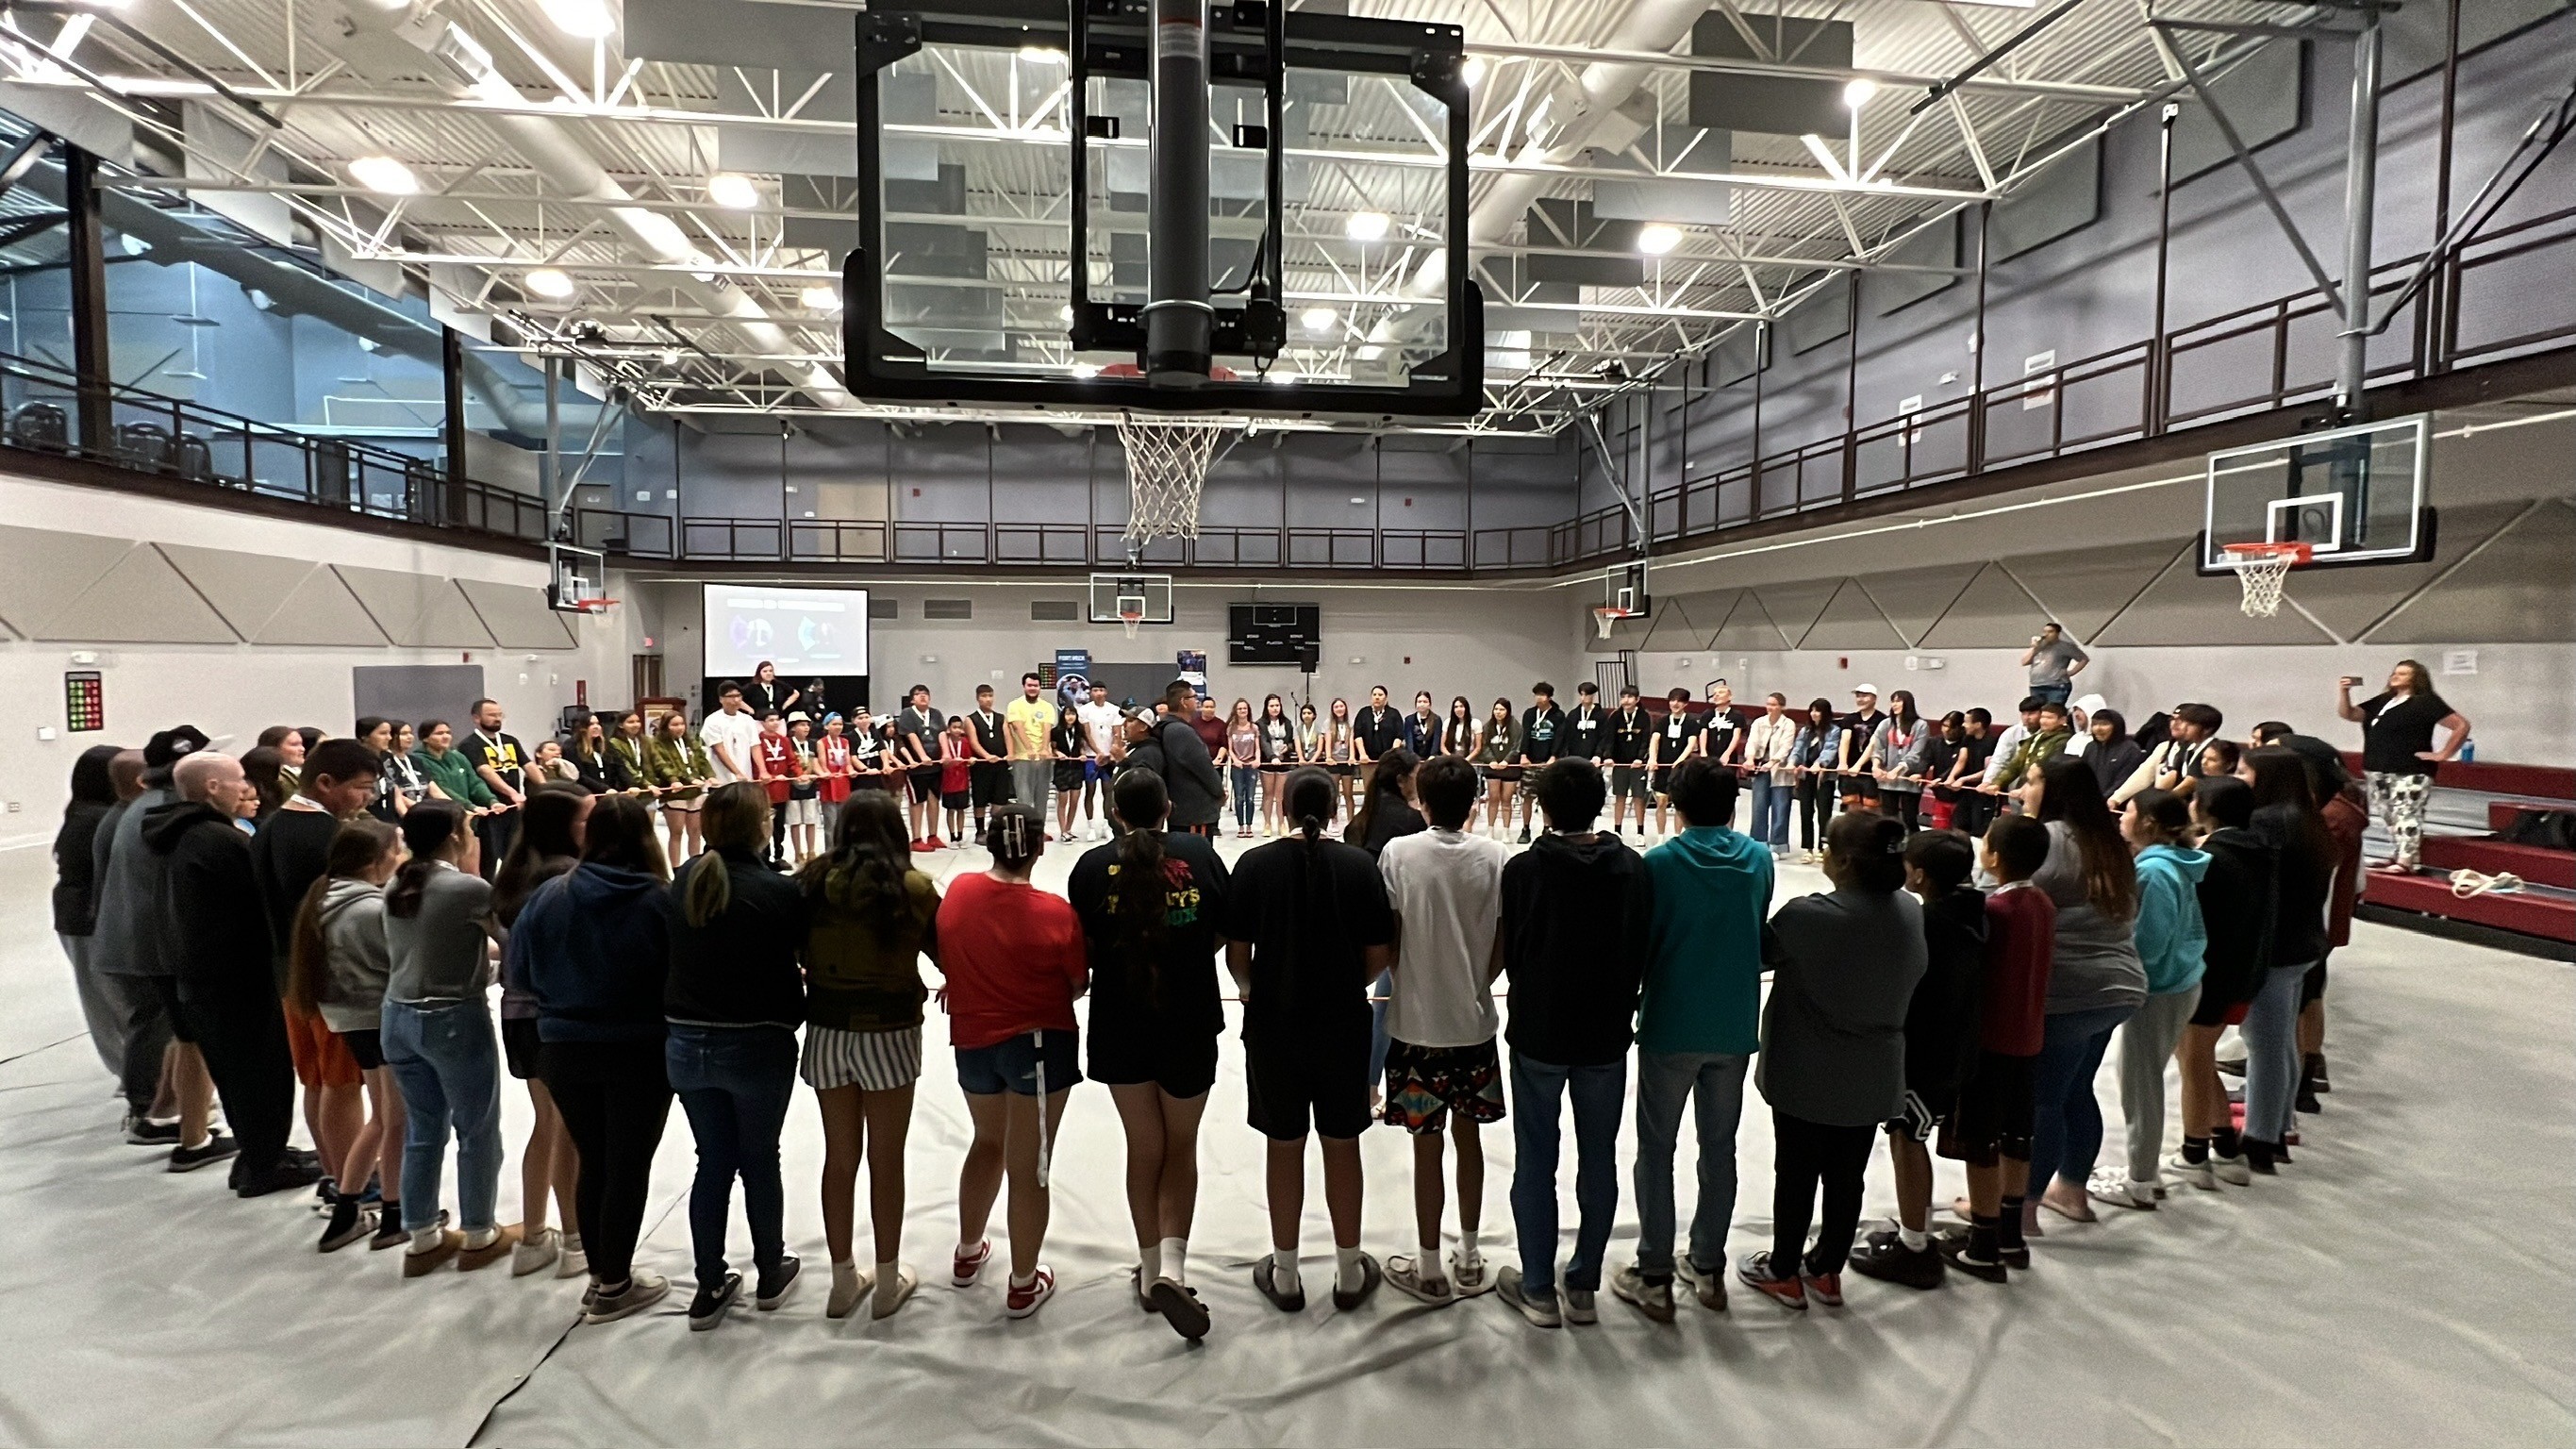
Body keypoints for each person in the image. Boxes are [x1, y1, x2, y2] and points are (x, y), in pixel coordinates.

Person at [1222, 767, 1392, 1316]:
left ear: (1287, 810)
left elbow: (1237, 957)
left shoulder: (1254, 865)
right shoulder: (1359, 865)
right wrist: (1346, 985)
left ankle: (1287, 1273)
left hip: (1274, 1027)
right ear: (1336, 809)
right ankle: (1347, 1271)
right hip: (1342, 1026)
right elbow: (1377, 956)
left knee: (1284, 1144)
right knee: (1343, 1145)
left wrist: (1255, 990)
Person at [1739, 810, 1926, 1310]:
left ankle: (1782, 1269)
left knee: (1796, 1172)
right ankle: (1826, 1269)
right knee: (1848, 1175)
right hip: (1875, 1071)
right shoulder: (1908, 908)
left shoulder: (1810, 915)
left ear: (1841, 860)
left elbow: (1757, 955)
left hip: (1808, 1067)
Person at [1069, 770, 1229, 1340]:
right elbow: (1219, 931)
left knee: (1145, 1145)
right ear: (1167, 806)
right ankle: (1176, 1271)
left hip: (1121, 1022)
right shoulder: (1199, 854)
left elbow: (1082, 949)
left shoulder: (1090, 868)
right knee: (1180, 1145)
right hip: (1187, 1018)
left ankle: (1150, 1271)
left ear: (1115, 812)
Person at [515, 796, 677, 1324]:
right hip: (639, 1046)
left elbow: (517, 973)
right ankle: (615, 1284)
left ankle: (601, 1274)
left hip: (563, 1045)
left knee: (594, 1157)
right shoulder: (659, 899)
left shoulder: (548, 896)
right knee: (628, 1165)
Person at [1610, 758, 1760, 1322]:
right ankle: (1708, 1263)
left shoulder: (1660, 863)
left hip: (1673, 1022)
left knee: (1657, 1147)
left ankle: (1654, 1269)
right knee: (1719, 1148)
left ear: (1675, 804)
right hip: (1734, 1023)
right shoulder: (1757, 858)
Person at [141, 752, 321, 1197]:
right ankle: (265, 1164)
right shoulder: (217, 841)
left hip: (208, 977)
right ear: (212, 788)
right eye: (240, 780)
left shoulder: (184, 834)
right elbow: (260, 903)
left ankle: (259, 1154)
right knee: (260, 1072)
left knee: (240, 1073)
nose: (250, 788)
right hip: (234, 978)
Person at [665, 783, 808, 1328]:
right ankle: (770, 1267)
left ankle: (709, 1282)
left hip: (685, 1041)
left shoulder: (684, 881)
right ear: (759, 827)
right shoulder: (777, 890)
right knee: (759, 1157)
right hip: (756, 1041)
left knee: (713, 1161)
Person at [940, 805, 1088, 1320]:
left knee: (987, 1142)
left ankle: (967, 1250)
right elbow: (1077, 983)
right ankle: (1023, 1282)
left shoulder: (959, 891)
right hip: (1036, 1046)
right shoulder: (1053, 912)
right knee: (1031, 1168)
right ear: (1040, 848)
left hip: (973, 1041)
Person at [1372, 756, 1509, 1308]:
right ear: (1474, 801)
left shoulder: (1399, 854)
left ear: (1420, 801)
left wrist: (1408, 983)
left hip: (1414, 1026)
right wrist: (1478, 982)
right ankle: (1471, 1255)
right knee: (1468, 1138)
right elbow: (1502, 940)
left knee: (1425, 1145)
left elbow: (1391, 935)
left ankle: (1429, 1267)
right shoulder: (1495, 857)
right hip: (1472, 1024)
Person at [799, 791, 941, 1320]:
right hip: (891, 1031)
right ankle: (886, 1279)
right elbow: (947, 953)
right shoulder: (914, 888)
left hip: (828, 1027)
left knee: (839, 1157)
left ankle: (841, 1278)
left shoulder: (811, 882)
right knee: (887, 1159)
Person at [377, 801, 517, 1275]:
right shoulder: (466, 887)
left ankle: (421, 1235)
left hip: (396, 1015)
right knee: (476, 1127)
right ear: (456, 837)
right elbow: (511, 938)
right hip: (451, 1017)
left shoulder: (397, 882)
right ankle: (479, 1232)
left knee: (423, 1127)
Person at [1848, 828, 1986, 1291]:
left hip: (1928, 1053)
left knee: (1908, 1140)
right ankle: (1927, 1236)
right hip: (1959, 1045)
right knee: (1914, 1137)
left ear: (1919, 875)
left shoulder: (1928, 925)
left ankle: (1914, 1245)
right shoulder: (1977, 911)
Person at [2018, 757, 2147, 1227]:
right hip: (2117, 986)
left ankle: (2024, 1207)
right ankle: (2071, 1190)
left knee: (2044, 1099)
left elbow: (2006, 897)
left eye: (2031, 782)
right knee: (2075, 1089)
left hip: (2070, 990)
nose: (2023, 789)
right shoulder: (2109, 841)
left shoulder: (2046, 840)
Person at [253, 739, 382, 1205]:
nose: (367, 798)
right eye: (361, 788)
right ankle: (354, 1180)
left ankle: (335, 1169)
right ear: (326, 782)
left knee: (318, 1080)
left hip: (290, 972)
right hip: (328, 977)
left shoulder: (271, 825)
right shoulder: (322, 835)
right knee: (343, 1084)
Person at [1935, 814, 2056, 1282]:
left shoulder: (1995, 912)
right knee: (2016, 1135)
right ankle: (2010, 1231)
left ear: (1994, 857)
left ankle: (1982, 1243)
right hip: (2028, 1036)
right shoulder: (2043, 903)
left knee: (1980, 1140)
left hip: (1991, 1041)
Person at [94, 727, 220, 1166]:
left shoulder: (142, 806)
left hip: (140, 934)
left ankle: (162, 1111)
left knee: (169, 1031)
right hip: (152, 940)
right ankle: (154, 1111)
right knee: (162, 1028)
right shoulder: (172, 812)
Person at [2083, 788, 2208, 1211]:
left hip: (2161, 990)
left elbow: (2149, 944)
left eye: (2129, 811)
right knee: (2142, 1080)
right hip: (2181, 980)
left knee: (2141, 1087)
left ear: (2149, 824)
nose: (2121, 817)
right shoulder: (2172, 862)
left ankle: (2139, 1181)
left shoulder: (2155, 872)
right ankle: (2143, 1169)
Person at [291, 815, 407, 1252]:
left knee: (382, 1119)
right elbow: (400, 963)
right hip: (378, 1020)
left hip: (351, 1021)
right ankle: (396, 1214)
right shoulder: (369, 909)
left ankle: (347, 1209)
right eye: (396, 850)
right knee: (397, 1122)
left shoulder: (325, 897)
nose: (401, 858)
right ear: (376, 860)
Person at [490, 787, 590, 1273]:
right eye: (585, 820)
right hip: (553, 1017)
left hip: (518, 1015)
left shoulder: (512, 876)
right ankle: (574, 1240)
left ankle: (534, 1234)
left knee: (546, 1124)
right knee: (567, 1129)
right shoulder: (565, 879)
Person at [2167, 776, 2273, 1190]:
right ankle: (2225, 1146)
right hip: (2242, 969)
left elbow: (2196, 922)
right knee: (2198, 1059)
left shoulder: (2215, 858)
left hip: (2213, 974)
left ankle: (2194, 1154)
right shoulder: (2258, 849)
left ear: (2207, 809)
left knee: (2192, 1061)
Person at [2239, 747, 2336, 1172]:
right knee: (2279, 1043)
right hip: (2303, 944)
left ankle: (2260, 1138)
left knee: (2265, 1047)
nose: (2239, 777)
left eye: (2244, 771)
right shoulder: (2308, 818)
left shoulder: (2268, 822)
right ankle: (2279, 1125)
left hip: (2276, 948)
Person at [2335, 660, 2469, 872]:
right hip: (2378, 767)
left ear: (2415, 678)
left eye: (2403, 674)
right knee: (2389, 814)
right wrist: (2345, 692)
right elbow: (2350, 714)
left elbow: (2460, 725)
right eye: (2395, 673)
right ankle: (2402, 854)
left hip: (2411, 768)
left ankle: (2406, 861)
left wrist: (2444, 754)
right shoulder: (2383, 700)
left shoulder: (2426, 702)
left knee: (2407, 812)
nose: (2396, 676)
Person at [54, 745, 125, 1077]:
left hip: (87, 915)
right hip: (84, 918)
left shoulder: (96, 813)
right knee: (104, 1001)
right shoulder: (91, 819)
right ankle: (129, 1073)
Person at [459, 699, 530, 874]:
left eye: (500, 715)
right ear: (476, 718)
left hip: (513, 809)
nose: (497, 719)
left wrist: (546, 787)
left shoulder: (510, 741)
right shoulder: (469, 744)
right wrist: (512, 792)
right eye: (492, 715)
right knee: (490, 859)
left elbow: (528, 765)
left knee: (515, 856)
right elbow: (485, 771)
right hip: (490, 810)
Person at [1148, 681, 1226, 837]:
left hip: (1182, 809)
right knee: (1196, 857)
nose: (1197, 701)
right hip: (1193, 811)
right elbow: (1203, 767)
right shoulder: (1181, 731)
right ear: (1184, 702)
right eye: (1194, 697)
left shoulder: (1169, 727)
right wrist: (1219, 792)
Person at [2112, 702, 2223, 807]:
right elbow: (2144, 775)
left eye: (2185, 721)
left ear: (2207, 729)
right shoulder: (2169, 746)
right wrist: (2116, 798)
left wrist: (2161, 800)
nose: (2176, 724)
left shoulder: (2211, 748)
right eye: (2173, 719)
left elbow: (2191, 782)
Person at [647, 709, 714, 862]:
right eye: (674, 725)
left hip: (695, 792)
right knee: (676, 833)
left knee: (695, 832)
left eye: (682, 724)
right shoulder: (657, 744)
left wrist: (710, 775)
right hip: (675, 792)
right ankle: (676, 869)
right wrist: (686, 779)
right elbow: (664, 766)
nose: (680, 728)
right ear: (665, 726)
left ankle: (694, 865)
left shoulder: (689, 741)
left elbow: (701, 760)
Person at [1866, 690, 1933, 831]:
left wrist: (1898, 770)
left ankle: (1913, 848)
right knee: (1889, 819)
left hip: (1909, 779)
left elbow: (1916, 753)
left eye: (1898, 701)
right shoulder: (1886, 724)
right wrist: (1876, 766)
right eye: (1893, 701)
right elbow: (1878, 747)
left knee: (1909, 819)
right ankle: (1891, 849)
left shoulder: (1921, 725)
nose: (1894, 704)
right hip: (1887, 781)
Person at [1743, 693, 1798, 857]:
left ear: (1782, 707)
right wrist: (1750, 758)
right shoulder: (1759, 722)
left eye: (1774, 705)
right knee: (1759, 806)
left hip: (1780, 770)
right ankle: (1758, 842)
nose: (1770, 708)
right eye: (1768, 704)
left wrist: (1773, 761)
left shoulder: (1788, 724)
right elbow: (1752, 742)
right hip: (1761, 769)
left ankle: (1777, 845)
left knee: (1780, 808)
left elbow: (1785, 746)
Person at [1787, 699, 1841, 860]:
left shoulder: (1834, 731)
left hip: (1824, 777)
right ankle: (1808, 848)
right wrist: (1792, 762)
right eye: (1812, 710)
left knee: (1824, 811)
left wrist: (1820, 764)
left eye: (1818, 710)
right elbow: (1797, 748)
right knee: (1806, 811)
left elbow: (1830, 749)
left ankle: (1823, 846)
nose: (1814, 714)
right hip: (1806, 776)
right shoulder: (1805, 731)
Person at [1005, 673, 1058, 828]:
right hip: (1022, 758)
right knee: (1024, 798)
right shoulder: (1015, 705)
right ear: (1024, 687)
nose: (1033, 688)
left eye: (1035, 685)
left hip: (1043, 759)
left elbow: (1047, 729)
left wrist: (1043, 749)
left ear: (1040, 687)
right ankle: (1026, 830)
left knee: (1042, 796)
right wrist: (1029, 749)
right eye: (1030, 685)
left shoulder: (1047, 707)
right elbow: (1018, 727)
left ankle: (1039, 830)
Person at [1515, 683, 1566, 844]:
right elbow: (1525, 735)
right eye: (1536, 695)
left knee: (1547, 798)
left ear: (1549, 697)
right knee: (1527, 797)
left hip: (1548, 762)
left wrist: (1554, 757)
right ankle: (1525, 829)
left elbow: (1560, 738)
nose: (1539, 698)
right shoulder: (1530, 714)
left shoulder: (1558, 715)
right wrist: (1523, 755)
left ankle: (1547, 828)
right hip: (1531, 762)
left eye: (1542, 695)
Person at [1604, 685, 1654, 840]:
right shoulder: (1615, 716)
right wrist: (1608, 756)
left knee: (1638, 797)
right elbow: (1609, 739)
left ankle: (1640, 832)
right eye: (1623, 697)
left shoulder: (1644, 717)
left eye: (1630, 697)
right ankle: (1617, 830)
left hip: (1638, 764)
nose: (1626, 700)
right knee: (1620, 796)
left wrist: (1640, 757)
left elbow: (1645, 740)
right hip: (1620, 764)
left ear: (1637, 699)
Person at [1077, 682, 1125, 841]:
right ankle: (1091, 826)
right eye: (1095, 690)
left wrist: (1111, 752)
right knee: (1090, 791)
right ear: (1091, 693)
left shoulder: (1113, 709)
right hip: (1092, 757)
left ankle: (1107, 825)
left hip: (1109, 757)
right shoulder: (1084, 710)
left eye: (1101, 690)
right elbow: (1086, 733)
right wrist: (1098, 753)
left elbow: (1117, 733)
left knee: (1108, 791)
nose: (1098, 693)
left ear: (1106, 692)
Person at [702, 683, 766, 795]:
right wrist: (736, 772)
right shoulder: (712, 720)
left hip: (744, 777)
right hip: (721, 778)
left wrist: (763, 771)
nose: (736, 700)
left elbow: (755, 746)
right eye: (731, 696)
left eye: (738, 696)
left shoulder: (747, 720)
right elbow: (719, 750)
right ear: (721, 699)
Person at [966, 684, 1012, 839]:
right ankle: (980, 831)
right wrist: (986, 756)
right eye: (984, 696)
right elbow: (973, 742)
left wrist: (1010, 754)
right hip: (981, 766)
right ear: (977, 698)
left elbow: (1008, 737)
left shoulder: (1000, 718)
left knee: (1000, 799)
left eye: (990, 696)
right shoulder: (971, 719)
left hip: (1000, 765)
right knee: (980, 799)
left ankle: (995, 830)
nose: (988, 699)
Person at [751, 711, 796, 864]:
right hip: (763, 790)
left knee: (779, 825)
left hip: (782, 789)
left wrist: (799, 774)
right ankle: (764, 856)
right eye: (771, 720)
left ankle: (779, 855)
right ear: (763, 723)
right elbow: (755, 764)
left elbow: (792, 761)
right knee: (763, 823)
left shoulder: (784, 740)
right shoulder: (757, 742)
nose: (775, 723)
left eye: (777, 720)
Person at [1472, 698, 1521, 840]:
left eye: (1502, 709)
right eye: (1496, 709)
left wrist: (1507, 760)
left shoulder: (1516, 726)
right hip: (1492, 768)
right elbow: (1484, 746)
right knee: (1493, 798)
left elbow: (1517, 746)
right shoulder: (1488, 726)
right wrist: (1492, 760)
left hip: (1510, 769)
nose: (1498, 712)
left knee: (1506, 800)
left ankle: (1506, 831)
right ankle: (1490, 829)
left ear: (1508, 711)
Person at [1835, 685, 1886, 811]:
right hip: (1848, 771)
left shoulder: (1882, 720)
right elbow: (1845, 740)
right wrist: (1842, 763)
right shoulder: (1850, 718)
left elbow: (1873, 744)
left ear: (1874, 698)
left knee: (1870, 809)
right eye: (1858, 696)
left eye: (1865, 696)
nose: (1860, 699)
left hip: (1869, 772)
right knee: (1852, 807)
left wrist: (1858, 765)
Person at [1048, 703, 1091, 843]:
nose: (1070, 717)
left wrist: (1083, 755)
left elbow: (1082, 747)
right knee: (1063, 801)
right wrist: (1057, 753)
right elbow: (1052, 748)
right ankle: (1062, 831)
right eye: (1067, 714)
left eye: (1073, 714)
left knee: (1074, 801)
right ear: (1063, 715)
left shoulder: (1079, 731)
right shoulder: (1056, 731)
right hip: (1062, 768)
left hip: (1077, 768)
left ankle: (1069, 829)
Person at [784, 714, 824, 864]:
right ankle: (798, 852)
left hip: (810, 786)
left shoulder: (813, 744)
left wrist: (819, 774)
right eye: (802, 725)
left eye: (807, 725)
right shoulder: (787, 743)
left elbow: (815, 762)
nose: (806, 728)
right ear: (793, 727)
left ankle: (811, 850)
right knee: (795, 821)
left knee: (810, 820)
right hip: (792, 786)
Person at [1259, 695, 1301, 837]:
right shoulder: (1260, 723)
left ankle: (1282, 823)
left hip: (1284, 761)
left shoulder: (1287, 722)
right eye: (1271, 706)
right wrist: (1272, 756)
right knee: (1268, 794)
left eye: (1277, 705)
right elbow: (1263, 742)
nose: (1275, 708)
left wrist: (1287, 748)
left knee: (1281, 795)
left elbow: (1291, 742)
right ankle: (1267, 824)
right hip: (1268, 762)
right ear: (1266, 707)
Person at [2019, 623, 2089, 706]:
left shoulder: (2066, 646)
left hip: (2056, 685)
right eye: (2044, 631)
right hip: (2036, 685)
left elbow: (2084, 659)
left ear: (2057, 633)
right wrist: (2034, 647)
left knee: (2053, 711)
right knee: (2037, 712)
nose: (2046, 634)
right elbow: (2024, 662)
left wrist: (2071, 672)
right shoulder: (2039, 646)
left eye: (2050, 632)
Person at [2082, 708, 2146, 799]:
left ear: (2117, 726)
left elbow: (2124, 781)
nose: (2098, 728)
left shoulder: (2131, 749)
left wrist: (2102, 801)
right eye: (2094, 724)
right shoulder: (2090, 747)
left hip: (2114, 802)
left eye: (2104, 724)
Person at [1226, 698, 1263, 839]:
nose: (1242, 711)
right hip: (1237, 767)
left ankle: (1249, 825)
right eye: (1240, 709)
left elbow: (1257, 748)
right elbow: (1230, 749)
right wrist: (1235, 760)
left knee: (1251, 798)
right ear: (1236, 711)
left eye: (1245, 708)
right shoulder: (1231, 728)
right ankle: (1240, 826)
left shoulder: (1254, 728)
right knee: (1239, 797)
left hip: (1251, 766)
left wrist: (1257, 759)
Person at [1354, 684, 1404, 772]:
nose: (1377, 697)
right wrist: (1363, 754)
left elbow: (1399, 735)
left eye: (1380, 695)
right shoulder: (1363, 713)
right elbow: (1358, 735)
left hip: (1388, 761)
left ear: (1386, 698)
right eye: (1374, 695)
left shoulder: (1394, 713)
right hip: (1367, 760)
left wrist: (1392, 755)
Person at [1322, 697, 1357, 818]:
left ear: (1346, 708)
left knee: (1348, 793)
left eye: (1341, 706)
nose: (1339, 709)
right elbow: (1327, 742)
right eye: (1336, 707)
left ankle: (1351, 820)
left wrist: (1352, 757)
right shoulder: (1328, 723)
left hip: (1347, 762)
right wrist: (1328, 757)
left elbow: (1352, 742)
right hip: (1334, 763)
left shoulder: (1351, 723)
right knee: (1334, 794)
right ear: (1332, 709)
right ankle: (1334, 820)